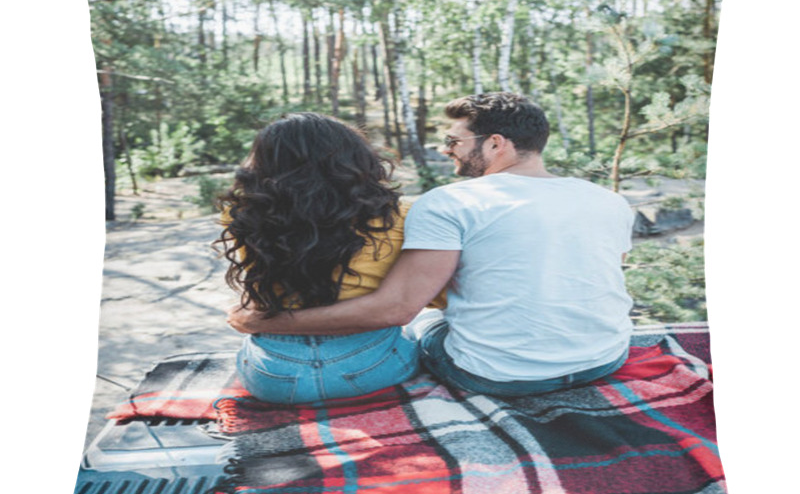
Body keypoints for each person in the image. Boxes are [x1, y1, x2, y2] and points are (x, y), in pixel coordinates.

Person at [228, 93, 634, 397]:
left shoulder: (452, 201)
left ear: (495, 144)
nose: (445, 149)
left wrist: (264, 320)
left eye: (453, 141)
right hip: (605, 359)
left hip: (498, 376)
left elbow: (399, 306)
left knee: (425, 323)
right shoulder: (610, 201)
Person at [218, 112, 437, 404]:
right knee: (425, 329)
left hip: (272, 376)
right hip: (371, 367)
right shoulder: (403, 215)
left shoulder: (242, 214)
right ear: (357, 159)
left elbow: (258, 296)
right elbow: (428, 298)